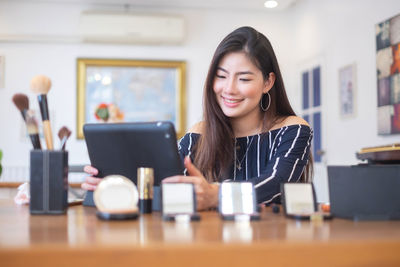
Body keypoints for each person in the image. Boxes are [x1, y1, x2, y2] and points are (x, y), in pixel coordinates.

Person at [82, 26, 313, 211]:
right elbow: (166, 183)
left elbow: (275, 184)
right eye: (221, 76)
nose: (229, 89)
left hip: (275, 246)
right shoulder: (199, 134)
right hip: (209, 244)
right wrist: (118, 186)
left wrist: (215, 195)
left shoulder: (292, 129)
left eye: (243, 79)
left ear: (268, 82)